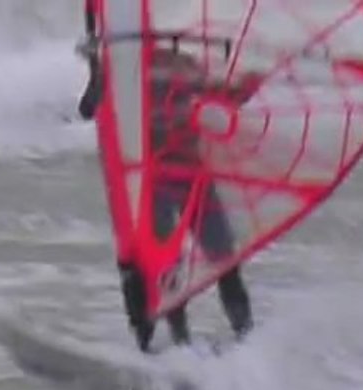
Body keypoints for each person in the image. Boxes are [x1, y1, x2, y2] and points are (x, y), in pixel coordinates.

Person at [76, 2, 261, 353]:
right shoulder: (117, 72)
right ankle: (180, 345)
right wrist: (96, 70)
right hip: (151, 183)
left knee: (224, 260)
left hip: (192, 175)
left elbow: (224, 96)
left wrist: (251, 83)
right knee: (165, 268)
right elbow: (88, 108)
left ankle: (246, 337)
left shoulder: (179, 67)